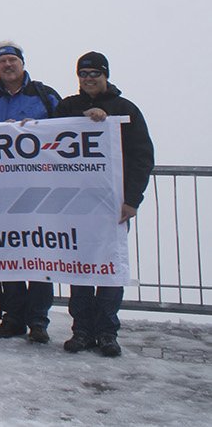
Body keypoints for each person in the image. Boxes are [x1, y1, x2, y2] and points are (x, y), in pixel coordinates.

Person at [54, 52, 154, 357]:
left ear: (106, 75)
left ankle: (108, 332)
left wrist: (132, 200)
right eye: (83, 74)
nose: (89, 78)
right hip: (76, 204)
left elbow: (142, 157)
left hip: (114, 205)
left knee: (109, 267)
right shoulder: (68, 106)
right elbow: (49, 136)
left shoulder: (126, 109)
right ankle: (81, 330)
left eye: (95, 73)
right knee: (80, 268)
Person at [0, 41, 62, 343]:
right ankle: (12, 317)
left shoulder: (45, 96)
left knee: (38, 255)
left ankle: (38, 321)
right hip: (0, 192)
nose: (7, 66)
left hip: (38, 190)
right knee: (7, 255)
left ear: (22, 63)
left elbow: (68, 127)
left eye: (12, 60)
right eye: (2, 61)